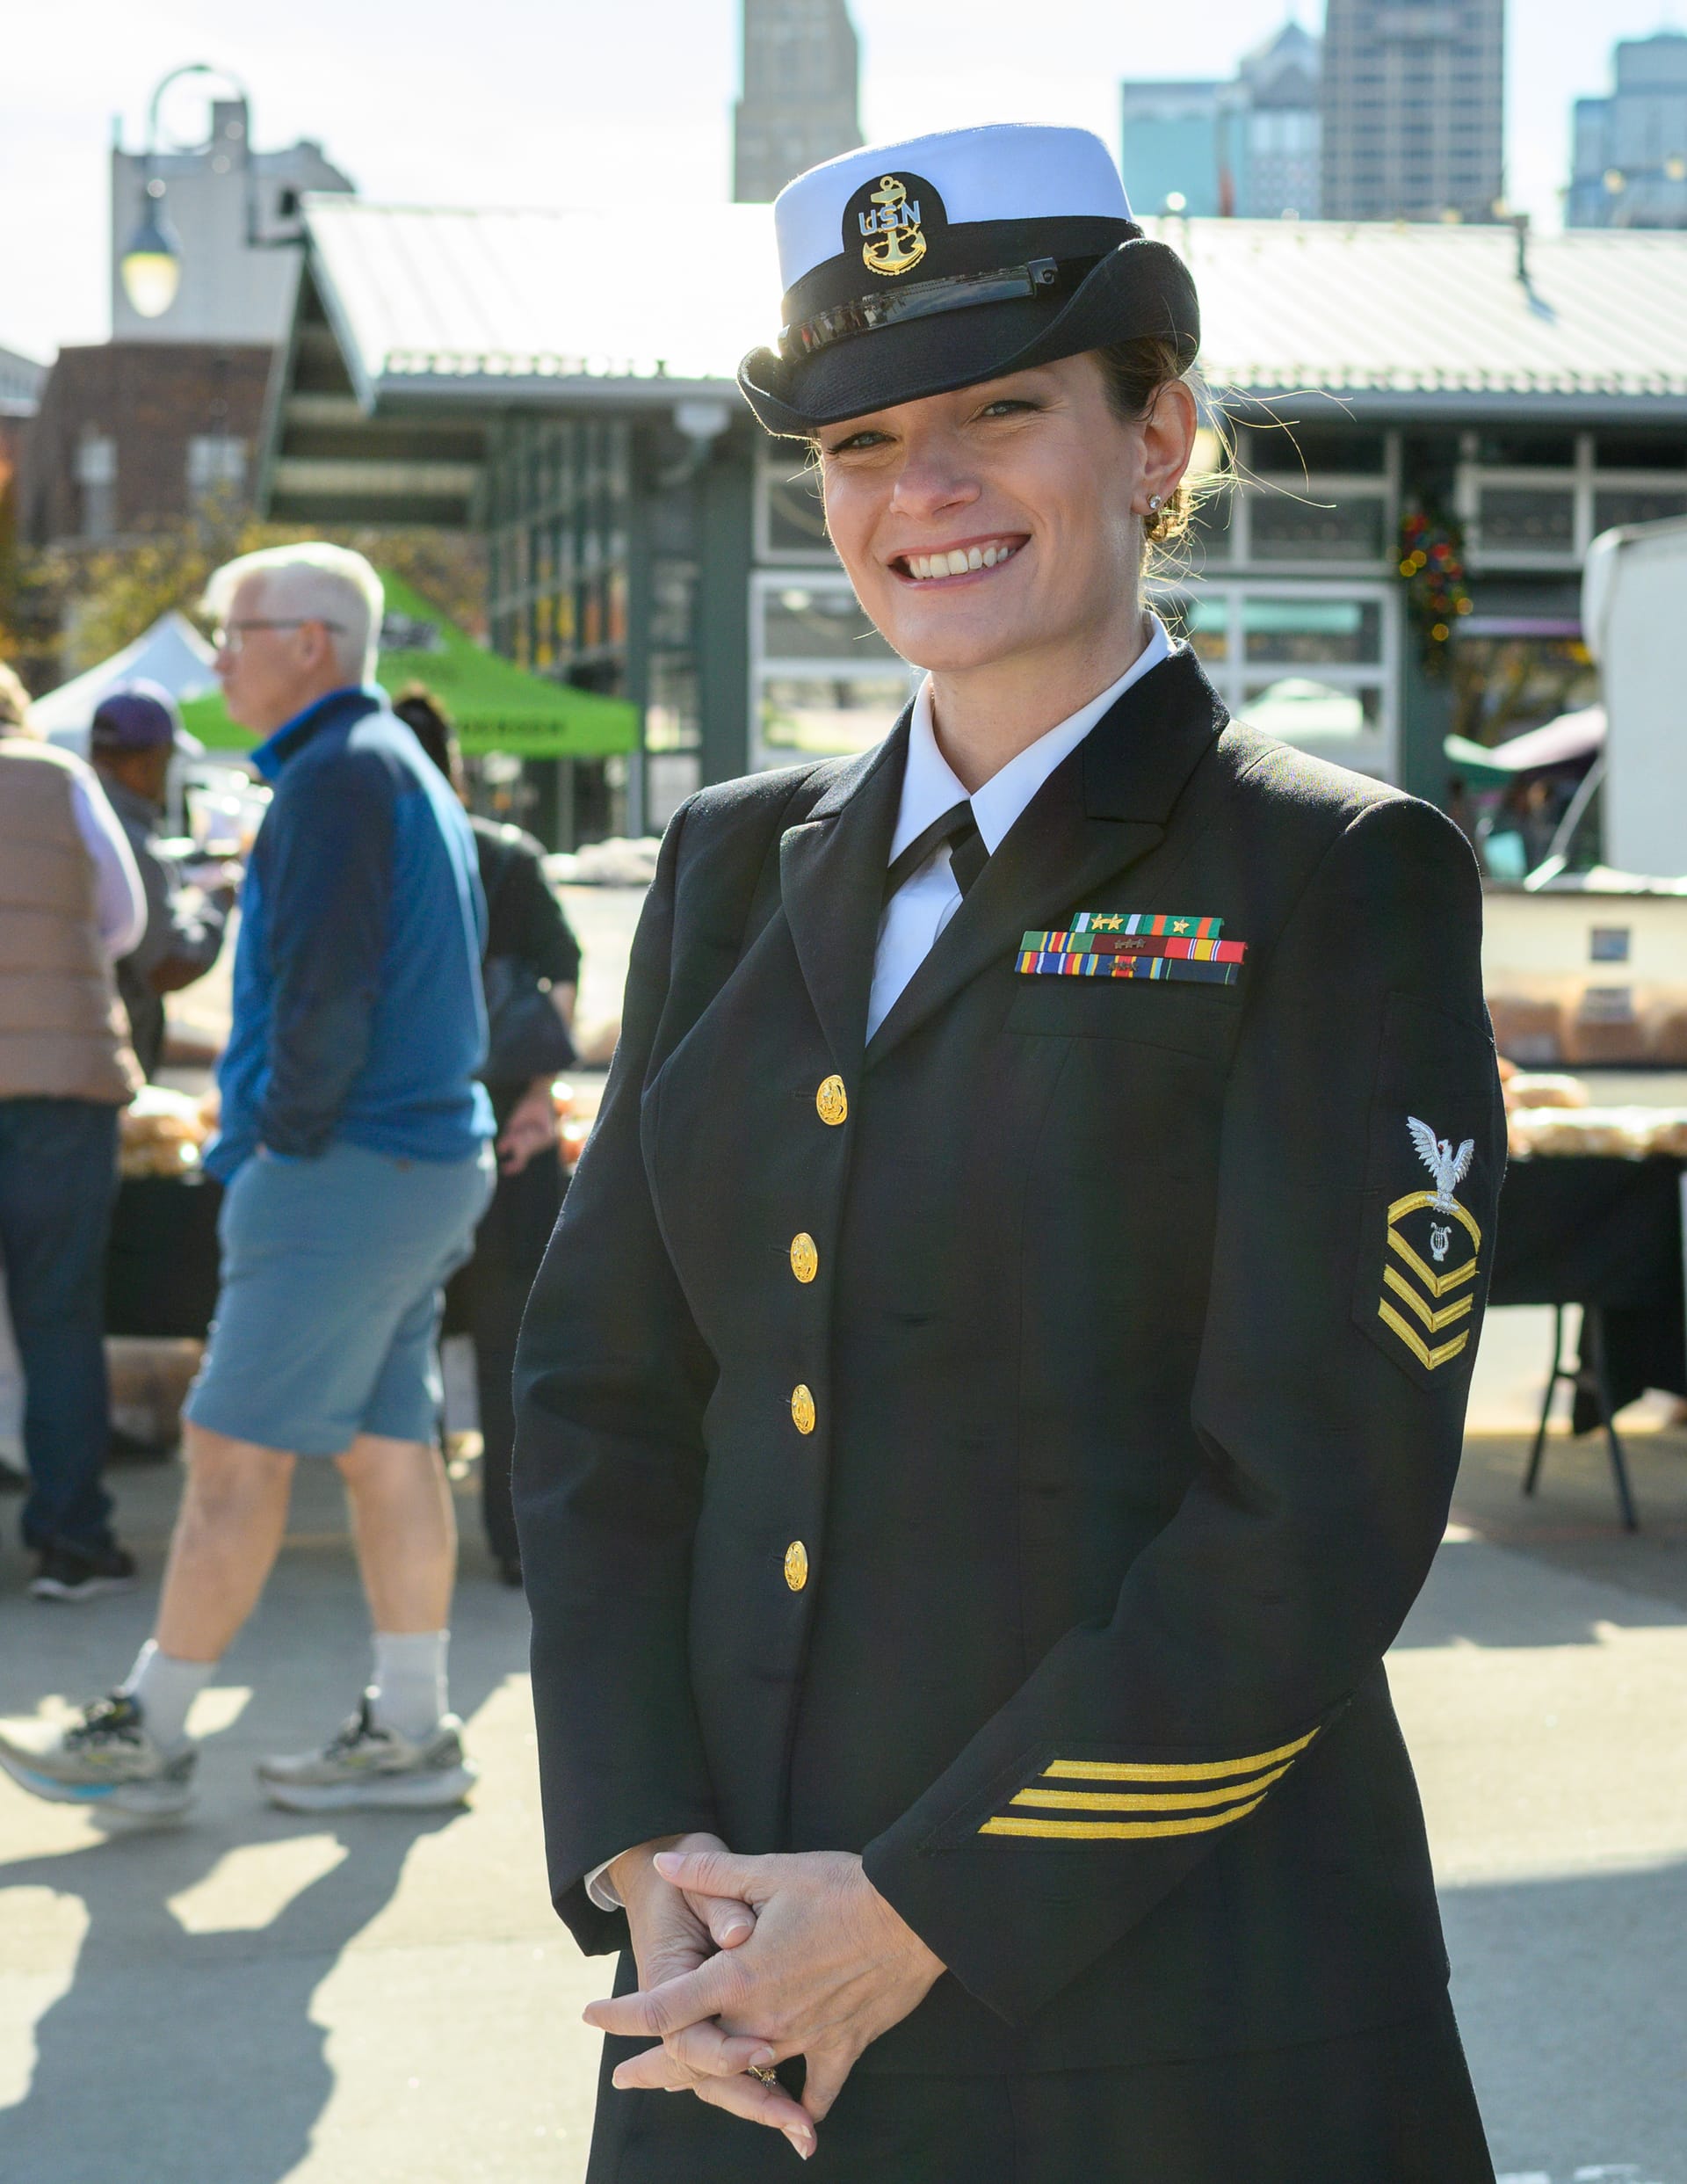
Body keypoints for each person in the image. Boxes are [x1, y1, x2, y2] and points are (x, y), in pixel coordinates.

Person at [511, 125, 1505, 2182]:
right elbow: (605, 1399)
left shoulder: (1331, 876)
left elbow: (1309, 1514)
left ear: (1158, 436)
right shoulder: (724, 862)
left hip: (1160, 2019)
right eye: (862, 443)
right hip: (723, 2004)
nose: (922, 492)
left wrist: (909, 1917)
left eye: (998, 413)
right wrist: (639, 1845)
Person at [0, 545, 496, 1820]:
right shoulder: (382, 767)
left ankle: (149, 1734)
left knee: (231, 1449)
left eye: (236, 631)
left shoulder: (337, 779)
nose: (216, 655)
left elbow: (326, 996)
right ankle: (413, 1725)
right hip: (414, 1160)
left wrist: (276, 1137)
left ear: (313, 644)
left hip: (346, 1166)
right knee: (390, 1450)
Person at [393, 686, 581, 1586]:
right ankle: (514, 1544)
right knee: (513, 1350)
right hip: (510, 1131)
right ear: (455, 762)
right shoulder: (506, 854)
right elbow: (565, 971)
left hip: (403, 1137)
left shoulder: (375, 855)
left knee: (406, 1345)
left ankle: (407, 1545)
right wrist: (539, 1093)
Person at [0, 657, 146, 1600]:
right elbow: (125, 921)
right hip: (61, 1090)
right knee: (57, 1317)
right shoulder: (60, 779)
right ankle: (70, 1539)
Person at [88, 681, 234, 1082]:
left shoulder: (76, 811)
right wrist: (219, 900)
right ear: (147, 762)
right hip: (107, 1062)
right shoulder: (126, 839)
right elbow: (168, 966)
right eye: (167, 761)